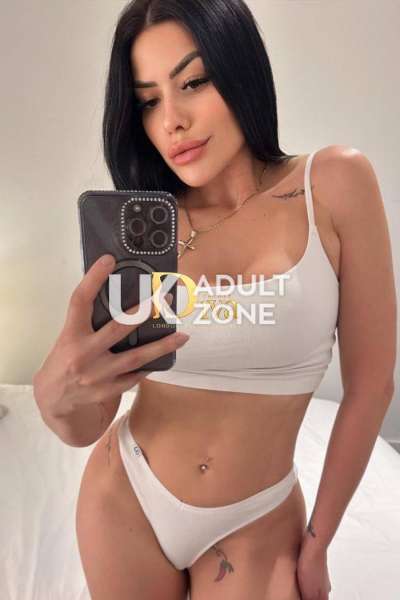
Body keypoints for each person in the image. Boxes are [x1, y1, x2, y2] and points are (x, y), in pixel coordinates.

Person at [33, 1, 397, 599]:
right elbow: (87, 421)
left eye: (193, 82)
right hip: (124, 500)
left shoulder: (332, 184)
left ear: (240, 69)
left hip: (256, 519)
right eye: (148, 101)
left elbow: (372, 383)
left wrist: (318, 541)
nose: (171, 121)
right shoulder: (144, 227)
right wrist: (54, 399)